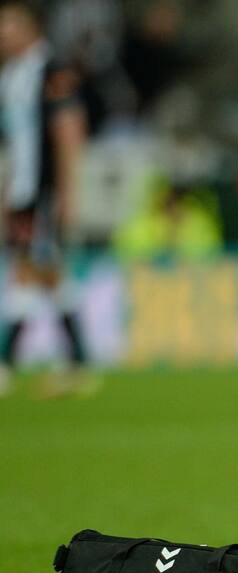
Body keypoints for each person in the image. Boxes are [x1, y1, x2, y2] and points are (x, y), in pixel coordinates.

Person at [0, 0, 90, 397]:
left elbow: (69, 130)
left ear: (31, 28)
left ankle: (7, 359)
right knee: (45, 273)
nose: (2, 33)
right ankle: (78, 360)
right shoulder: (10, 75)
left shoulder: (52, 70)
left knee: (30, 270)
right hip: (20, 190)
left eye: (9, 25)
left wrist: (70, 192)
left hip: (45, 190)